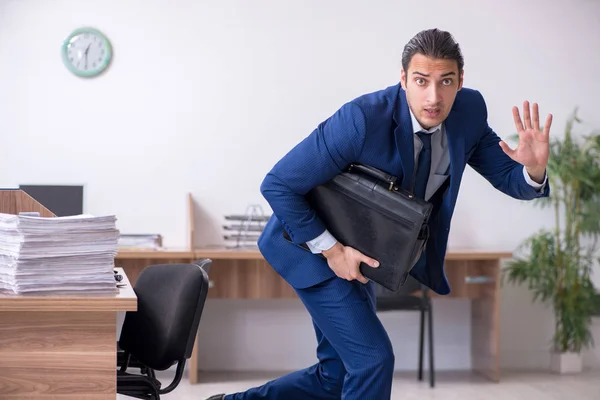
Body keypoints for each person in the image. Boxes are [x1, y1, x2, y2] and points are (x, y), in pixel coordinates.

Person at [207, 28, 551, 400]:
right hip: (310, 245)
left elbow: (508, 177)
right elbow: (278, 184)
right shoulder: (361, 120)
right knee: (372, 360)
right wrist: (333, 252)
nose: (433, 96)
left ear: (460, 81)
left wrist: (532, 171)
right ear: (403, 79)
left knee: (336, 376)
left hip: (364, 252)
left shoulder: (467, 113)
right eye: (421, 81)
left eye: (445, 81)